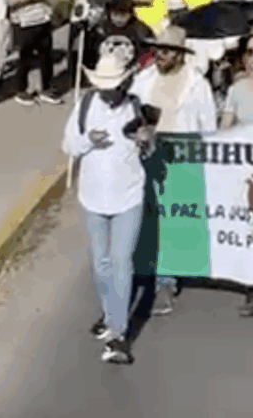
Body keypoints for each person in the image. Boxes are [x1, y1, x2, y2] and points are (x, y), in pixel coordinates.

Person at [63, 41, 155, 365]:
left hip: (128, 194)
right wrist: (89, 140)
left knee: (121, 261)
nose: (108, 92)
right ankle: (109, 311)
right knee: (101, 262)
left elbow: (150, 149)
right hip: (93, 197)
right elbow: (68, 144)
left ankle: (118, 334)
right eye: (104, 86)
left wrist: (146, 142)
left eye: (113, 86)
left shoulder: (136, 107)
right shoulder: (86, 105)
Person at [131, 25, 218, 316]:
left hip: (181, 160)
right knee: (144, 219)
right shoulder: (142, 80)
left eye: (166, 50)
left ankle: (165, 281)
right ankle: (141, 272)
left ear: (180, 54)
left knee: (170, 224)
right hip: (145, 157)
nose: (160, 55)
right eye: (157, 49)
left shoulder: (197, 84)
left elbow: (208, 127)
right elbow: (127, 117)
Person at [6, 0, 62, 105]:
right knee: (25, 58)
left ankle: (47, 88)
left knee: (46, 57)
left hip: (43, 18)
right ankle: (21, 90)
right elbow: (10, 0)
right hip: (24, 22)